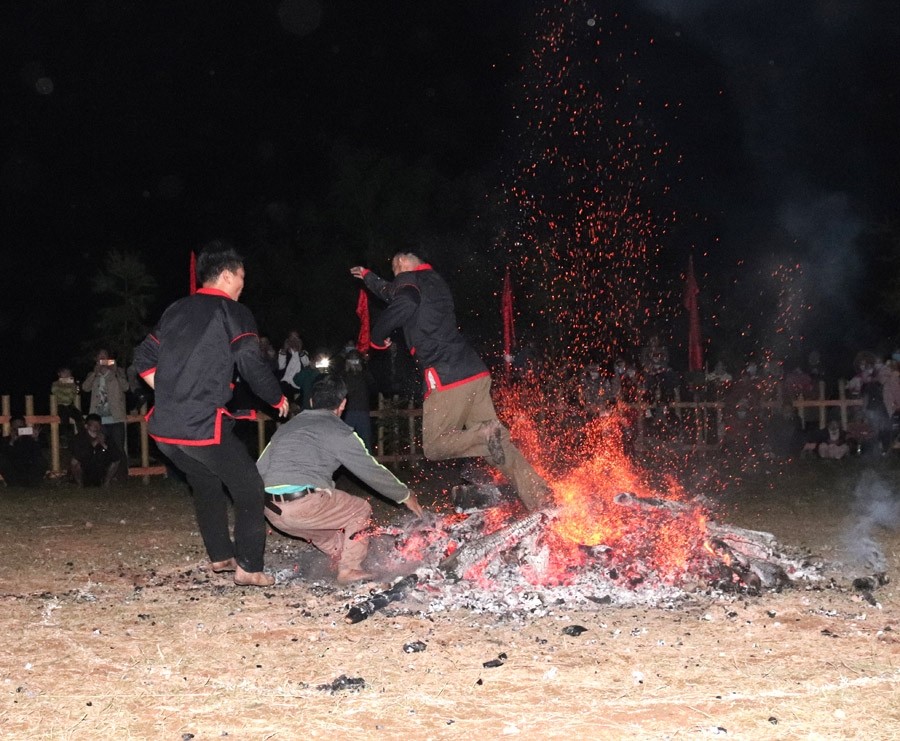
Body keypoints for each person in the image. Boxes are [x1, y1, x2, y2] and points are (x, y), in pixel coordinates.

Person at [134, 240, 290, 587]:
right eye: (241, 278)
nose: (243, 286)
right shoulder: (233, 311)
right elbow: (250, 360)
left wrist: (173, 392)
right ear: (226, 275)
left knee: (205, 483)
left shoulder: (176, 309)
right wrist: (276, 396)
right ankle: (249, 567)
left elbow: (143, 359)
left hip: (165, 429)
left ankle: (221, 555)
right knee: (249, 488)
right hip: (200, 426)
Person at [351, 252, 550, 511]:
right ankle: (542, 498)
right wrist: (369, 277)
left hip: (447, 377)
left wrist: (377, 338)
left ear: (400, 265)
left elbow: (404, 301)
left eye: (393, 269)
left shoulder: (408, 282)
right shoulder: (434, 280)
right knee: (499, 449)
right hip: (475, 373)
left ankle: (484, 432)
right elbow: (392, 291)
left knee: (435, 446)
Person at [257, 374, 424, 584]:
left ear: (311, 401)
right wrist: (405, 495)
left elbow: (259, 469)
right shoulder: (340, 432)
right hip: (303, 504)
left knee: (334, 538)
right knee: (359, 509)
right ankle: (350, 569)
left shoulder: (287, 428)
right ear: (343, 403)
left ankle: (341, 561)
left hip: (272, 510)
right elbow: (370, 470)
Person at [82, 349, 129, 466]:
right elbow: (85, 388)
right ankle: (103, 474)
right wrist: (94, 373)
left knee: (119, 447)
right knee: (100, 446)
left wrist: (116, 372)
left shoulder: (118, 372)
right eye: (100, 357)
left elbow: (126, 387)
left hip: (116, 418)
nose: (103, 360)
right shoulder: (92, 374)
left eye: (105, 357)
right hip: (98, 420)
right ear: (96, 360)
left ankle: (122, 477)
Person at [69, 413, 122, 486]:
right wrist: (94, 443)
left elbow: (117, 455)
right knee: (74, 462)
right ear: (86, 426)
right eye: (93, 425)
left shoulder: (106, 438)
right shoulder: (79, 438)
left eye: (98, 425)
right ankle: (80, 484)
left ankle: (106, 483)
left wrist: (104, 445)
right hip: (85, 468)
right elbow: (78, 455)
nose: (96, 427)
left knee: (116, 460)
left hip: (100, 468)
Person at [0, 417, 47, 487]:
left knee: (41, 461)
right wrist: (12, 442)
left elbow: (37, 454)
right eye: (16, 427)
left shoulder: (29, 440)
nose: (18, 429)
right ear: (11, 428)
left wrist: (35, 439)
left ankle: (33, 484)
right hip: (13, 468)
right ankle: (14, 484)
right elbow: (5, 455)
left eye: (21, 427)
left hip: (27, 468)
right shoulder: (5, 440)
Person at [50, 366, 84, 442]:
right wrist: (64, 386)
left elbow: (74, 393)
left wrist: (71, 385)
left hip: (69, 405)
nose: (67, 375)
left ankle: (82, 434)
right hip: (60, 405)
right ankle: (63, 436)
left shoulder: (72, 384)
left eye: (68, 373)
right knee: (64, 417)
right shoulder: (56, 383)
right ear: (59, 374)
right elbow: (54, 391)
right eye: (65, 373)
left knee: (78, 415)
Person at [277, 330, 310, 402]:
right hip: (285, 385)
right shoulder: (283, 352)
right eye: (292, 338)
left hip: (298, 385)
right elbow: (280, 366)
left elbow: (307, 364)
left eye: (296, 338)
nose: (294, 340)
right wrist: (284, 350)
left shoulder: (304, 353)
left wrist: (299, 351)